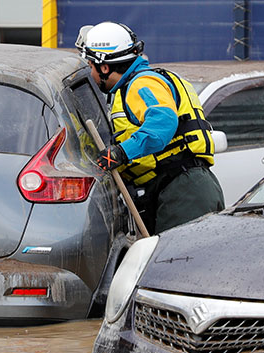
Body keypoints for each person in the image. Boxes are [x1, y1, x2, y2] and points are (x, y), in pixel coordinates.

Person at [77, 21, 224, 234]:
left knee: (179, 254)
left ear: (105, 67)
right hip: (179, 186)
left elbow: (163, 122)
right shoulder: (137, 85)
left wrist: (120, 153)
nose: (91, 74)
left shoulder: (142, 84)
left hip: (184, 190)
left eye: (91, 67)